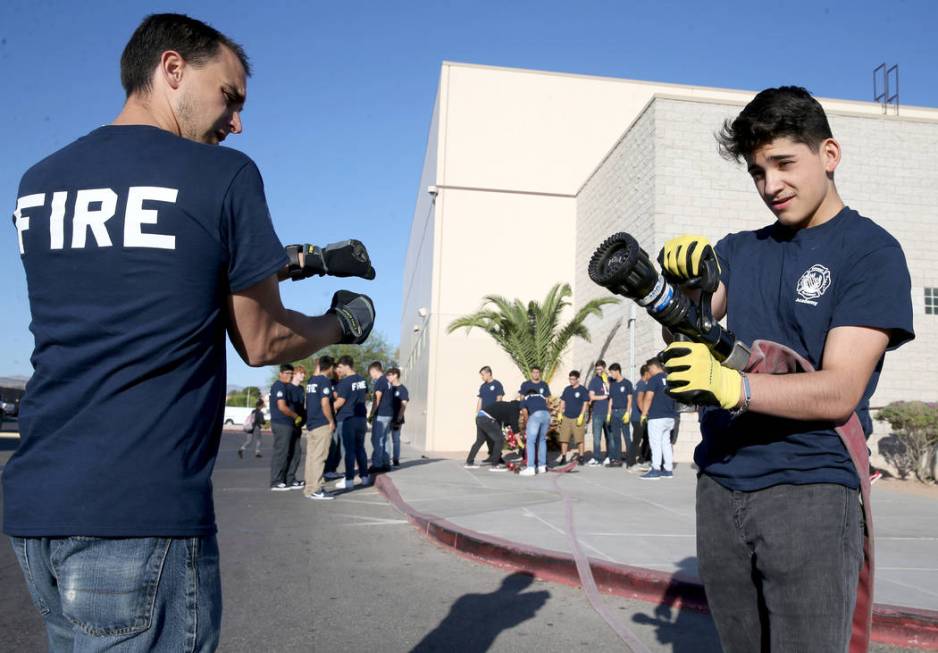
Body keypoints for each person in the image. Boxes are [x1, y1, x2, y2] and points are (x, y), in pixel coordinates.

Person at [3, 13, 375, 651]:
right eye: (230, 98)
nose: (237, 123)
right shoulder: (223, 177)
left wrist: (305, 259)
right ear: (172, 70)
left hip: (37, 509)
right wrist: (341, 323)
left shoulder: (39, 181)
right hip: (140, 510)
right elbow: (263, 341)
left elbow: (149, 267)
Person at [658, 86, 914, 652]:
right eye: (757, 171)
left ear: (829, 154)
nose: (770, 185)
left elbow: (838, 390)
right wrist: (676, 293)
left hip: (810, 491)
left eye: (783, 163)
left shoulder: (869, 252)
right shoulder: (739, 249)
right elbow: (685, 333)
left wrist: (730, 385)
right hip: (721, 484)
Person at [333, 355, 370, 490]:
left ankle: (348, 480)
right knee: (360, 448)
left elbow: (340, 402)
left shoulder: (344, 382)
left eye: (340, 367)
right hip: (361, 418)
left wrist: (326, 409)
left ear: (346, 366)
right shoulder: (362, 380)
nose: (339, 370)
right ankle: (364, 477)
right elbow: (366, 396)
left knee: (348, 451)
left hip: (347, 419)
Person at [304, 356, 337, 500]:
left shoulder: (311, 381)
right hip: (321, 424)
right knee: (319, 458)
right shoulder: (324, 381)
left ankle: (309, 488)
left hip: (311, 424)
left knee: (311, 458)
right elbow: (325, 403)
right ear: (329, 367)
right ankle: (316, 489)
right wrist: (331, 421)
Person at [639, 358, 676, 480]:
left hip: (656, 417)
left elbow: (648, 397)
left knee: (655, 443)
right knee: (666, 443)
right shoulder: (670, 378)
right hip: (670, 416)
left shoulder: (654, 379)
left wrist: (644, 414)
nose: (649, 372)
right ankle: (668, 469)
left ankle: (655, 469)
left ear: (653, 367)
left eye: (649, 369)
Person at [269, 364, 304, 490]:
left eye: (291, 373)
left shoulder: (288, 387)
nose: (290, 376)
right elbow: (282, 407)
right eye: (288, 373)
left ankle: (290, 479)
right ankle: (276, 481)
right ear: (281, 374)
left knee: (296, 452)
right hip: (282, 423)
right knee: (281, 452)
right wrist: (296, 416)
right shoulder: (278, 386)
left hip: (291, 424)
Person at [466, 400, 520, 471]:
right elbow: (514, 424)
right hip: (487, 419)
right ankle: (494, 465)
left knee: (479, 441)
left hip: (480, 417)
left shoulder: (506, 405)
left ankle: (469, 462)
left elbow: (504, 419)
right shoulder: (514, 410)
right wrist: (519, 439)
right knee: (499, 440)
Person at [557, 370, 588, 464]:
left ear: (577, 379)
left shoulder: (582, 390)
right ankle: (563, 457)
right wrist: (560, 413)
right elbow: (562, 401)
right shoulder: (567, 389)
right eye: (570, 379)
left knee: (579, 439)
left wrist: (582, 415)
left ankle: (581, 457)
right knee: (564, 439)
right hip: (566, 417)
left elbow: (585, 403)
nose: (571, 381)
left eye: (573, 379)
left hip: (577, 418)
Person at [475, 366, 505, 463]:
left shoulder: (497, 384)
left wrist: (495, 413)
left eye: (483, 375)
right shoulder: (483, 386)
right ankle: (491, 455)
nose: (482, 377)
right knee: (487, 437)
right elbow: (480, 399)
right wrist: (477, 412)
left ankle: (498, 457)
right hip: (483, 416)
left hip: (494, 416)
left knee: (496, 436)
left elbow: (499, 398)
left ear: (489, 373)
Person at [285, 364, 308, 489]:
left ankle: (291, 477)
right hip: (288, 423)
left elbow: (302, 406)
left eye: (304, 373)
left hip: (298, 424)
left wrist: (303, 419)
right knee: (287, 452)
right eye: (301, 373)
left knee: (297, 452)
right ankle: (285, 478)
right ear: (294, 374)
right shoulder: (287, 388)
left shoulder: (301, 389)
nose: (303, 375)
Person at [367, 361, 392, 471]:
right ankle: (386, 463)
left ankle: (377, 464)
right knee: (385, 439)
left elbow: (377, 399)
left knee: (377, 439)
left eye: (370, 373)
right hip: (389, 414)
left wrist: (371, 414)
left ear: (374, 370)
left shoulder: (379, 382)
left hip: (381, 414)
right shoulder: (387, 381)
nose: (371, 376)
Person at [608, 363, 633, 468]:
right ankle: (618, 460)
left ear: (617, 371)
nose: (611, 374)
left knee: (627, 436)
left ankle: (631, 460)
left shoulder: (627, 383)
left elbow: (630, 399)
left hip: (623, 412)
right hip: (614, 412)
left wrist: (628, 412)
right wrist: (609, 414)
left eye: (612, 372)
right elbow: (611, 400)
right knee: (616, 437)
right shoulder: (613, 384)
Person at [586, 360, 612, 465]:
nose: (599, 371)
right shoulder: (594, 381)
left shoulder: (610, 380)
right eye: (597, 369)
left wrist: (606, 382)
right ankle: (596, 457)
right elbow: (592, 396)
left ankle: (610, 456)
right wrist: (604, 397)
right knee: (596, 437)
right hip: (597, 412)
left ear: (604, 368)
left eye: (600, 369)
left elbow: (612, 394)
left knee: (610, 436)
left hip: (608, 412)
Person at [519, 389, 550, 476]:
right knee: (542, 440)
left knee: (530, 441)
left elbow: (525, 413)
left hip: (536, 415)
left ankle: (530, 468)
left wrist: (526, 424)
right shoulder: (541, 397)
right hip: (546, 415)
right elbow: (547, 406)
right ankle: (542, 466)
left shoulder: (526, 398)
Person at [386, 368, 408, 467]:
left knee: (396, 440)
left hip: (397, 419)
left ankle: (396, 459)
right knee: (385, 439)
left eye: (389, 375)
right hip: (386, 417)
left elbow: (404, 404)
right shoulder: (388, 387)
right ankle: (385, 459)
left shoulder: (402, 389)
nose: (388, 377)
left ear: (395, 375)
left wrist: (399, 418)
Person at [630, 365, 650, 467]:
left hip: (636, 417)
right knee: (637, 440)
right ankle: (631, 462)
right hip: (638, 418)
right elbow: (639, 400)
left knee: (645, 438)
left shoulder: (638, 384)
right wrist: (645, 413)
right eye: (649, 373)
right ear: (646, 373)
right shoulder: (642, 385)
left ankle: (642, 459)